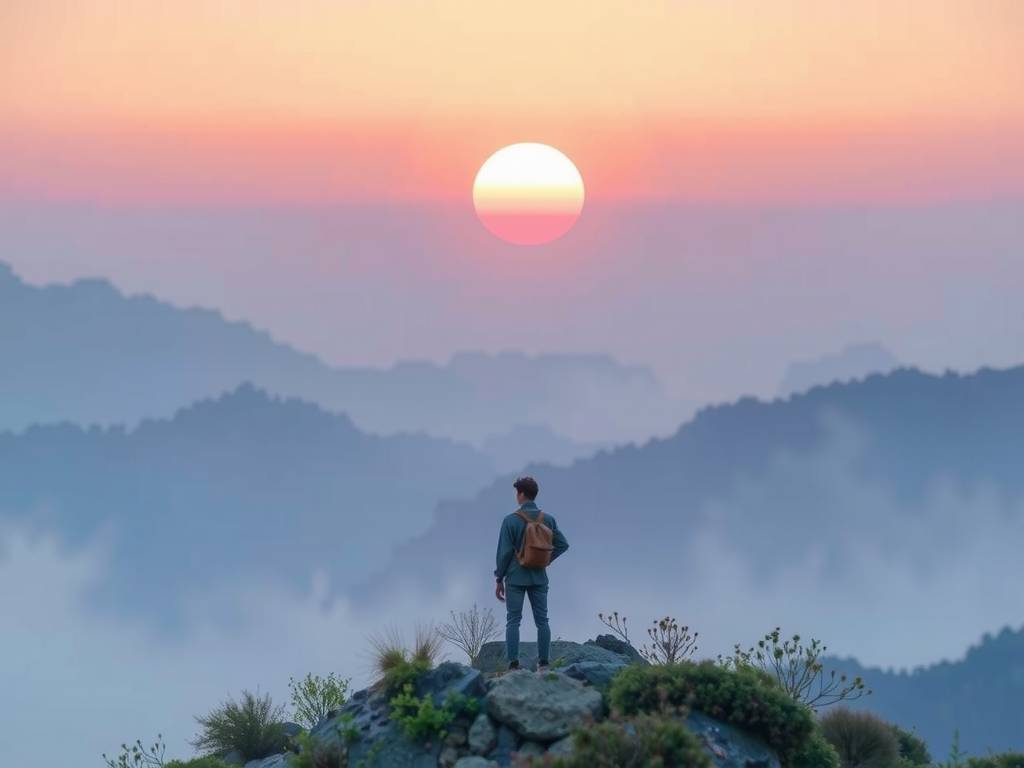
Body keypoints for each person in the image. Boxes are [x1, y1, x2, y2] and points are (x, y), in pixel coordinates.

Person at [494, 476, 569, 671]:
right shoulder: (548, 519)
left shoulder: (510, 520)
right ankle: (544, 664)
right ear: (534, 495)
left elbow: (504, 553)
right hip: (539, 577)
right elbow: (563, 544)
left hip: (515, 577)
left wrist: (499, 578)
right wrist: (546, 560)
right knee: (542, 621)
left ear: (520, 495)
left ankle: (513, 665)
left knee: (513, 620)